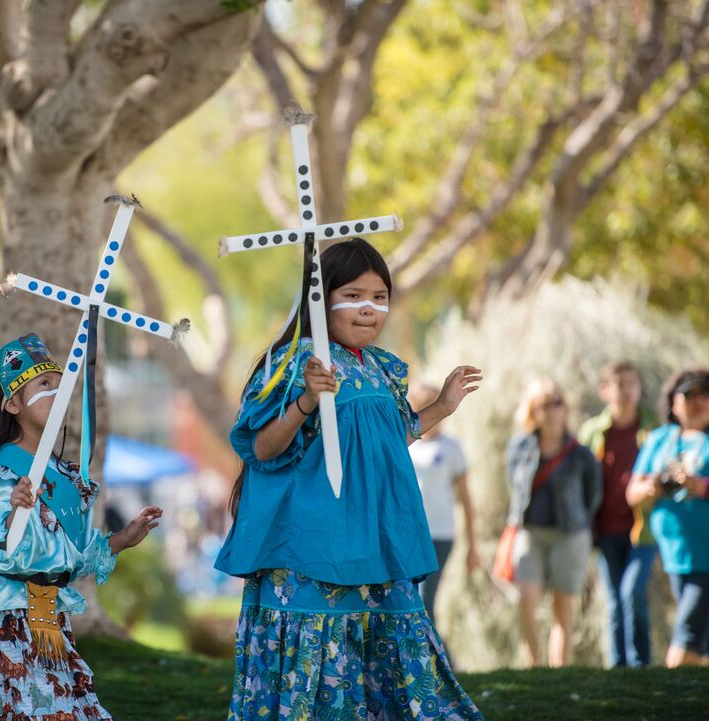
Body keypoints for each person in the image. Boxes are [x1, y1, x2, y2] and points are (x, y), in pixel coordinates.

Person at [216, 238, 485, 720]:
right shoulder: (298, 363)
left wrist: (441, 407)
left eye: (380, 297)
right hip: (311, 549)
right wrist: (303, 402)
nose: (369, 309)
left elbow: (384, 444)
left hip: (379, 543)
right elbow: (261, 448)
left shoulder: (381, 368)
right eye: (355, 295)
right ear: (320, 301)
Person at [0, 334, 162, 721]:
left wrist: (120, 541)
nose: (57, 390)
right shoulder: (5, 471)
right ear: (12, 404)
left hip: (51, 620)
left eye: (59, 382)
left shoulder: (63, 476)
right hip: (10, 621)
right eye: (44, 384)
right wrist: (14, 511)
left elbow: (67, 559)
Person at [506, 378, 601, 667]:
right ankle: (534, 667)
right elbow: (513, 484)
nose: (553, 409)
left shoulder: (580, 453)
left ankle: (560, 671)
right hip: (530, 533)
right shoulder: (519, 447)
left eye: (558, 402)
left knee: (563, 605)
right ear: (533, 410)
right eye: (545, 404)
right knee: (526, 601)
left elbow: (593, 494)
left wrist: (579, 520)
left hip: (569, 534)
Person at [626, 368, 709, 668]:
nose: (698, 401)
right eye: (689, 394)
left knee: (685, 641)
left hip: (707, 558)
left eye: (705, 394)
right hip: (675, 555)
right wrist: (652, 487)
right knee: (700, 648)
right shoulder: (660, 439)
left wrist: (699, 485)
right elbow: (631, 493)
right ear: (673, 403)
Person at [577, 361, 657, 668]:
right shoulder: (592, 432)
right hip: (605, 529)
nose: (626, 391)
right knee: (613, 601)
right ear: (605, 390)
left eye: (632, 383)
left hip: (644, 529)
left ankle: (641, 664)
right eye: (619, 384)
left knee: (631, 593)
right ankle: (618, 667)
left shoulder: (653, 430)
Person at [407, 383, 481, 622]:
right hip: (408, 531)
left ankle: (439, 659)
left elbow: (466, 499)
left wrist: (473, 546)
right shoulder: (406, 443)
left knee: (426, 602)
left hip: (439, 534)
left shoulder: (451, 447)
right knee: (410, 600)